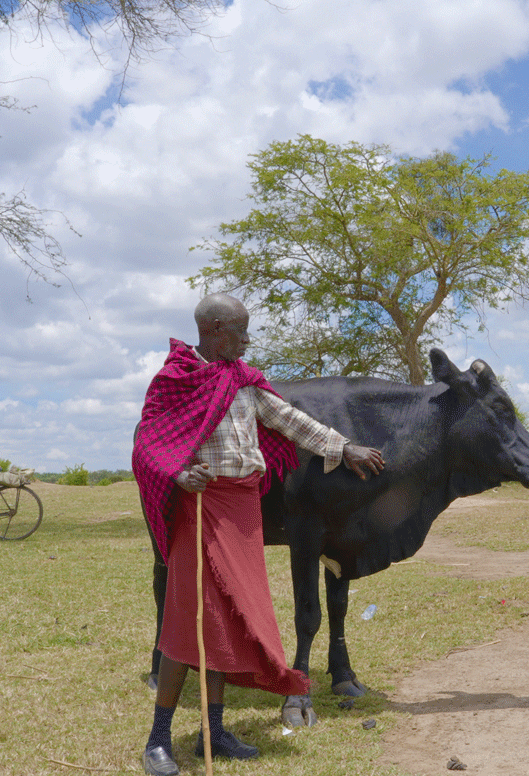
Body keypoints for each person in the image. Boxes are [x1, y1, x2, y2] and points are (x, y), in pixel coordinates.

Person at [132, 292, 385, 776]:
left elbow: (288, 419)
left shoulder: (243, 381)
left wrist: (343, 446)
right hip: (202, 509)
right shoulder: (174, 380)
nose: (249, 340)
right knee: (189, 621)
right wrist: (179, 471)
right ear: (215, 330)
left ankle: (216, 730)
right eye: (242, 330)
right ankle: (158, 740)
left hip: (243, 509)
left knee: (228, 619)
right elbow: (148, 442)